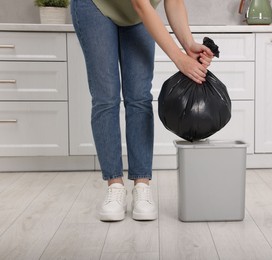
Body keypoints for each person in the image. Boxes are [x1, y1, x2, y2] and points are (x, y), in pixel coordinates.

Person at [71, 0, 214, 221]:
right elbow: (140, 4)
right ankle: (115, 186)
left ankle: (141, 185)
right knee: (106, 97)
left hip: (137, 13)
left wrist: (188, 44)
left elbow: (173, 1)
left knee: (139, 97)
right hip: (95, 6)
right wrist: (180, 59)